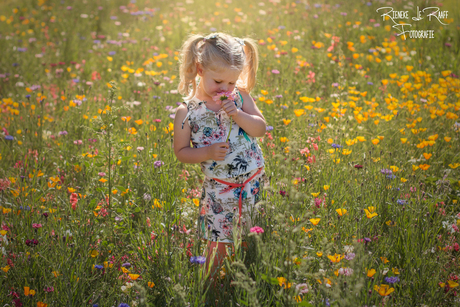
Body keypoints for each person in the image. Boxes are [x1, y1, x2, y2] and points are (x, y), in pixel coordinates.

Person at [173, 32, 269, 283]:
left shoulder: (240, 96)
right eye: (218, 81)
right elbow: (181, 152)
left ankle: (245, 277)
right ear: (200, 69)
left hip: (252, 182)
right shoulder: (187, 111)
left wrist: (237, 114)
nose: (225, 89)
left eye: (231, 82)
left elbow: (260, 128)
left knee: (252, 235)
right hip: (220, 189)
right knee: (218, 243)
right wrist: (207, 152)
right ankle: (212, 287)